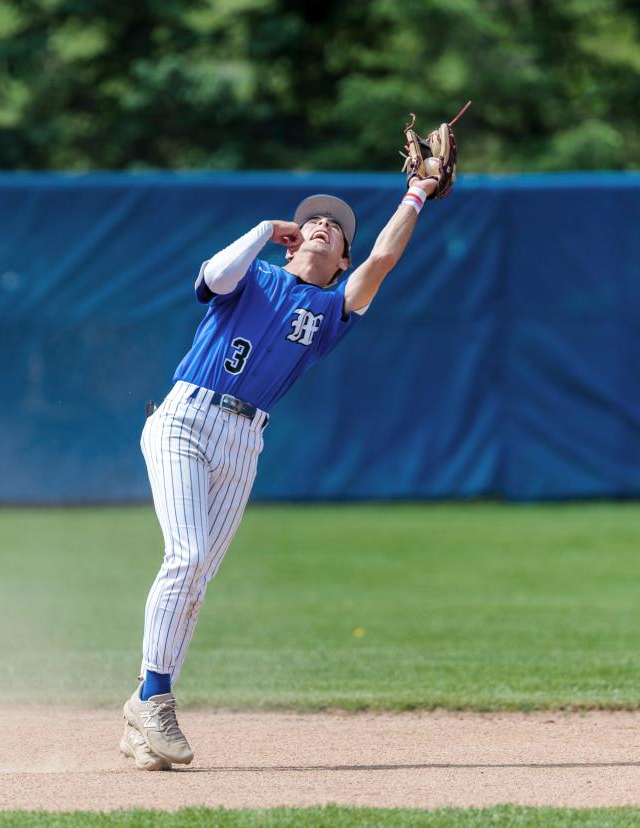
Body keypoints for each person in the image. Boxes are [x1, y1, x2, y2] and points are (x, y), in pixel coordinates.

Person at [120, 175, 442, 771]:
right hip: (184, 417)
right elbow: (211, 277)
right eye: (313, 221)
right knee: (186, 557)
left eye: (337, 229)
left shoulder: (331, 309)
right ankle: (157, 697)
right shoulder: (254, 276)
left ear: (343, 258)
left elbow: (386, 257)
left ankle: (142, 708)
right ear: (291, 244)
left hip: (245, 439)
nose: (324, 225)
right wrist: (266, 230)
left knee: (196, 582)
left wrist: (417, 192)